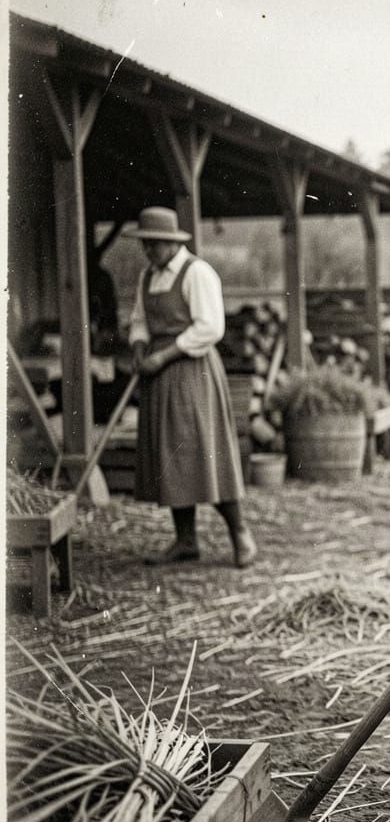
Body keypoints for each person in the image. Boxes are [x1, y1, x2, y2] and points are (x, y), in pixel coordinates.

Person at [124, 206, 257, 568]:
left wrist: (163, 356)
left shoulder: (197, 273)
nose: (149, 251)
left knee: (205, 451)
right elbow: (138, 320)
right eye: (145, 245)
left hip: (191, 371)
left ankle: (240, 534)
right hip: (157, 374)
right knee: (171, 458)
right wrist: (139, 348)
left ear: (171, 242)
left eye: (154, 244)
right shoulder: (147, 276)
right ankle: (185, 541)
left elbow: (210, 328)